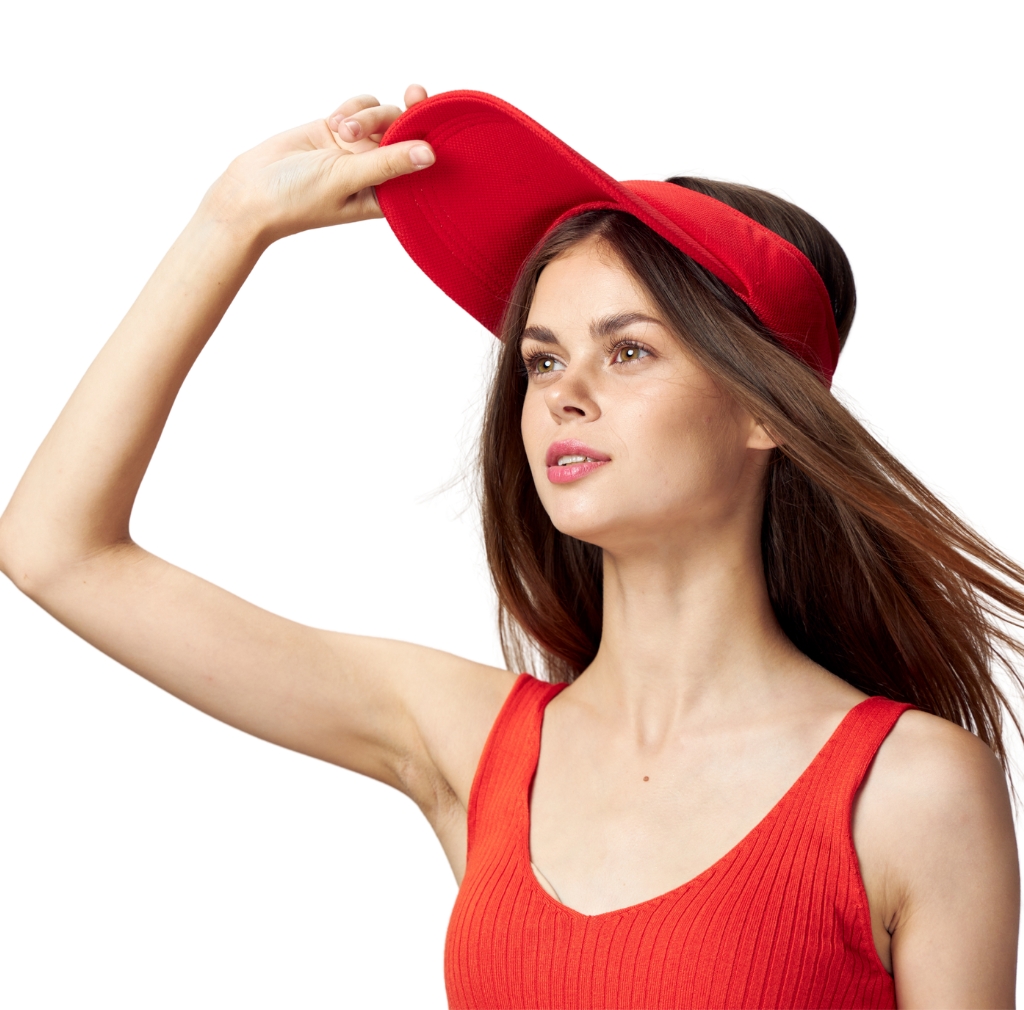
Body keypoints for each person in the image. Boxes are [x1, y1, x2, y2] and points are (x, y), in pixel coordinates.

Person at [0, 84, 1019, 1009]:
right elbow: (55, 548)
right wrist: (234, 220)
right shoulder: (471, 743)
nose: (563, 392)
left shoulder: (912, 789)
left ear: (766, 413)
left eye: (628, 349)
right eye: (541, 357)